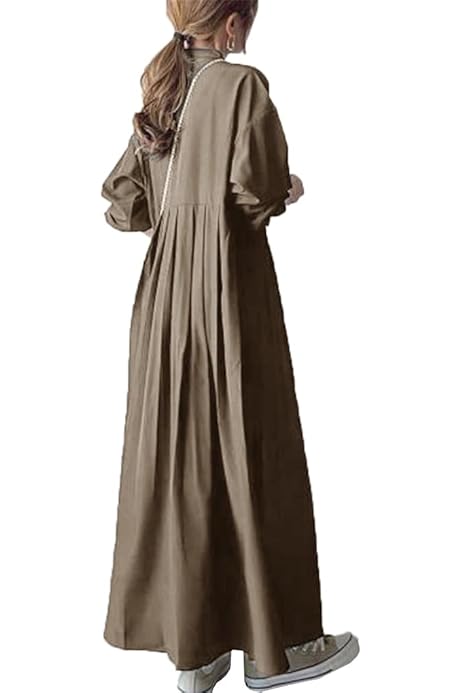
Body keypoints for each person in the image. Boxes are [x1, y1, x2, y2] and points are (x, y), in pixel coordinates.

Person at [100, 2, 359, 692]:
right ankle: (280, 647)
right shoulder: (240, 84)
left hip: (164, 302)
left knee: (183, 461)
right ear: (234, 24)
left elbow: (125, 204)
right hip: (229, 287)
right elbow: (257, 191)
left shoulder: (164, 92)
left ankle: (197, 648)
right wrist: (290, 188)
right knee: (255, 448)